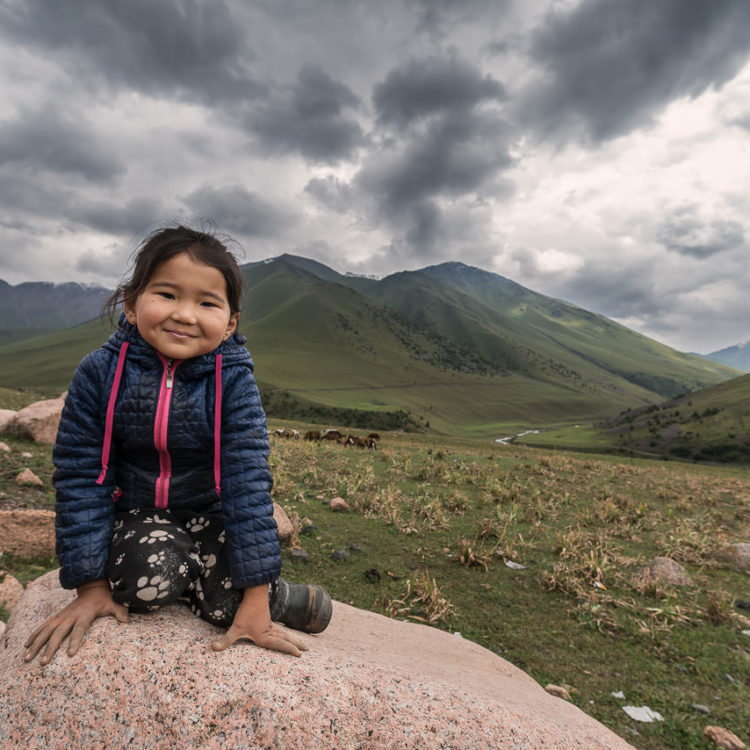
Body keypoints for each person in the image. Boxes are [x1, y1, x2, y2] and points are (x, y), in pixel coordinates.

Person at [24, 225, 332, 666]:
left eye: (206, 303)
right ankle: (206, 574)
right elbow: (81, 477)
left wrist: (258, 597)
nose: (185, 314)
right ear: (131, 305)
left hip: (209, 515)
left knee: (234, 609)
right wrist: (89, 588)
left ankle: (270, 594)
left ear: (230, 324)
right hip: (135, 515)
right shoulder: (99, 372)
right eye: (167, 295)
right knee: (145, 578)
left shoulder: (234, 380)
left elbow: (246, 483)